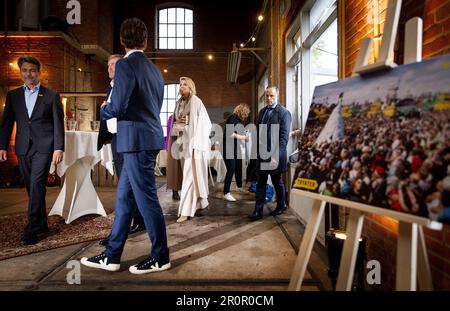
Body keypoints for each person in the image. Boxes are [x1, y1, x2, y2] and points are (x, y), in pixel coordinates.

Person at [80, 18, 170, 274]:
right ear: (145, 41)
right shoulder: (154, 69)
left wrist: (104, 108)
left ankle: (161, 256)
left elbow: (117, 107)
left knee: (147, 200)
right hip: (148, 137)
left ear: (122, 41)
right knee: (123, 200)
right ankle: (112, 255)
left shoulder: (125, 66)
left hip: (136, 141)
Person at [0, 56, 64, 245]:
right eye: (25, 70)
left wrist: (58, 148)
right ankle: (42, 223)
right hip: (22, 147)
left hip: (44, 147)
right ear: (21, 73)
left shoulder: (51, 95)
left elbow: (58, 124)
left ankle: (32, 229)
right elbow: (6, 123)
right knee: (32, 188)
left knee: (36, 185)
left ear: (39, 72)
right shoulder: (13, 96)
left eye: (32, 70)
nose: (29, 74)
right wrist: (2, 145)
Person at [97, 54, 145, 247]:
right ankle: (139, 220)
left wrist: (106, 108)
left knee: (128, 187)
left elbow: (120, 109)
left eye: (114, 64)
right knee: (126, 184)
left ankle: (129, 225)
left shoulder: (127, 85)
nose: (110, 68)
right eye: (108, 65)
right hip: (116, 138)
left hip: (128, 138)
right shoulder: (111, 87)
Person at [249, 86, 292, 221]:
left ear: (277, 96)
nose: (269, 98)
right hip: (262, 155)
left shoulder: (284, 113)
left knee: (276, 181)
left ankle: (281, 204)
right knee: (261, 182)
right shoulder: (261, 112)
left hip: (275, 155)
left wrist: (276, 156)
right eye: (267, 95)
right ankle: (258, 211)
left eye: (272, 95)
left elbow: (284, 138)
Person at [173, 77, 212, 223]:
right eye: (180, 85)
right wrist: (180, 125)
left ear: (191, 87)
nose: (182, 87)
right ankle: (200, 203)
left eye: (185, 85)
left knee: (189, 178)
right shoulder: (179, 103)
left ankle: (185, 211)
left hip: (196, 146)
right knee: (192, 178)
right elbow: (178, 124)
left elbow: (206, 124)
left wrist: (190, 123)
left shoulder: (195, 101)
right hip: (185, 145)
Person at [223, 103, 250, 201]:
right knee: (231, 169)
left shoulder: (238, 121)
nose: (246, 116)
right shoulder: (232, 118)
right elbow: (230, 134)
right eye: (246, 113)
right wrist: (244, 137)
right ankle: (226, 193)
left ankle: (239, 187)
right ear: (242, 111)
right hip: (228, 148)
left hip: (235, 148)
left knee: (239, 167)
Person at [165, 113, 182, 200]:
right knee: (174, 169)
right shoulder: (172, 118)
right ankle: (175, 192)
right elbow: (172, 132)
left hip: (183, 146)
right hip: (173, 146)